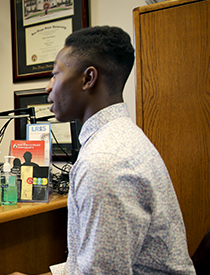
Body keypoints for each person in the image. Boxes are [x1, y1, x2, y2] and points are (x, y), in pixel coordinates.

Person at [42, 26, 194, 273]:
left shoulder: (104, 162)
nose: (49, 87)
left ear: (87, 79)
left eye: (55, 74)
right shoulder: (119, 136)